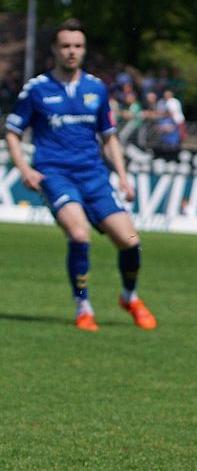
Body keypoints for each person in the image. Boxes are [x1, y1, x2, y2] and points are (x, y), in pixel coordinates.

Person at [4, 19, 157, 332]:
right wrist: (25, 169)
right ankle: (83, 306)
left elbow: (109, 137)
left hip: (94, 176)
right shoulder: (37, 89)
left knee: (130, 241)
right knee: (78, 234)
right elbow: (12, 132)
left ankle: (129, 296)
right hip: (55, 173)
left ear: (84, 50)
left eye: (77, 46)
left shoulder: (96, 88)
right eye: (65, 46)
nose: (71, 51)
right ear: (54, 49)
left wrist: (123, 176)